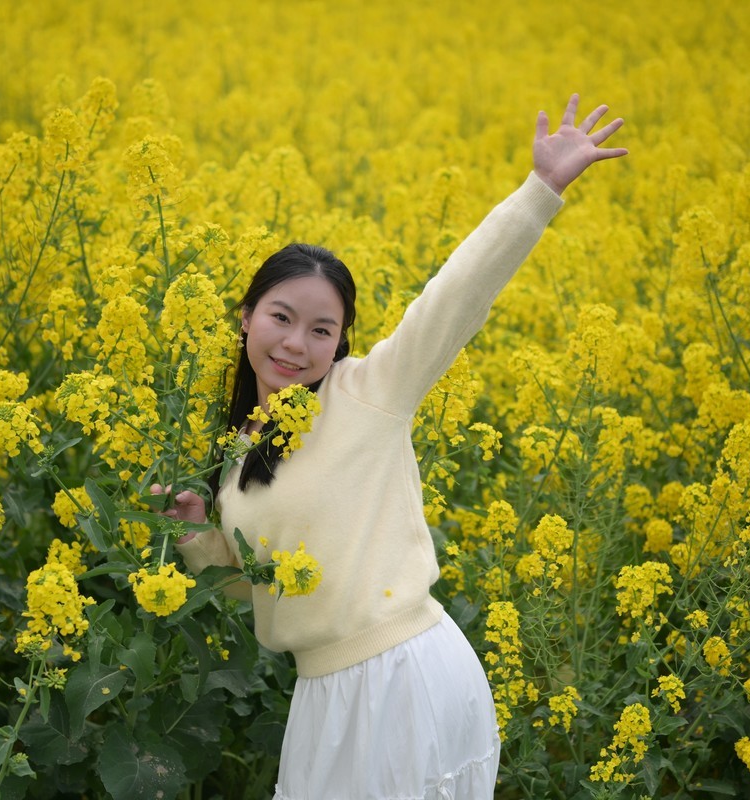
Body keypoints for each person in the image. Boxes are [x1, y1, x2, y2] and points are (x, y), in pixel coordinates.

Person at [151, 94, 627, 800]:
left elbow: (454, 296)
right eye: (281, 317)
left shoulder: (367, 394)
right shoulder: (239, 445)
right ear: (246, 317)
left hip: (402, 677)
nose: (296, 344)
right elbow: (258, 580)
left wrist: (541, 190)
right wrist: (198, 535)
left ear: (340, 341)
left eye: (321, 330)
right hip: (326, 690)